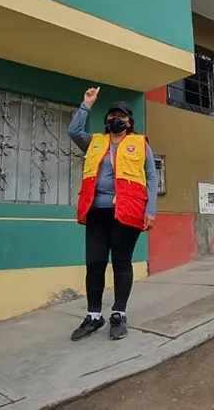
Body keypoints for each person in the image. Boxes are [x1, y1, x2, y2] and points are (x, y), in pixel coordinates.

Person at [67, 88, 158, 341]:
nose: (115, 119)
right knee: (95, 263)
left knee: (121, 262)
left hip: (127, 211)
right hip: (97, 211)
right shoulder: (95, 141)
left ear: (129, 122)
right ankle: (94, 316)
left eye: (121, 116)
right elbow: (73, 132)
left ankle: (119, 314)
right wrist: (86, 104)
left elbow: (151, 177)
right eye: (111, 115)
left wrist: (150, 210)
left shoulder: (140, 143)